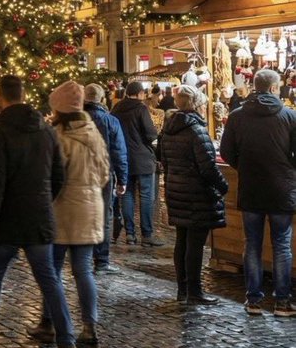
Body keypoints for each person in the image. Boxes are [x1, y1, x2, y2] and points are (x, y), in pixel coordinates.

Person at [0, 74, 79, 348]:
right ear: (23, 95)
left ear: (1, 97)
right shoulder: (47, 131)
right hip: (39, 217)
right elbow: (60, 176)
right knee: (49, 280)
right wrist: (42, 201)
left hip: (9, 220)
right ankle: (67, 344)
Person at [31, 81, 109, 348]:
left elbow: (52, 178)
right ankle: (90, 327)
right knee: (83, 270)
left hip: (62, 211)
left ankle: (49, 322)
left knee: (51, 271)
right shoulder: (93, 132)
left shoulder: (57, 136)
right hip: (90, 209)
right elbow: (104, 173)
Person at [220, 67, 296, 316]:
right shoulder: (289, 116)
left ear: (255, 86)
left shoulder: (237, 115)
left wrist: (244, 167)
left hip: (251, 188)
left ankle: (253, 300)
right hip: (281, 190)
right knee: (282, 245)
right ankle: (282, 302)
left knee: (252, 244)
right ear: (275, 88)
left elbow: (227, 152)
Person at [156, 84, 229, 306]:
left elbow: (164, 161)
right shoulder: (196, 130)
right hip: (197, 194)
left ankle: (183, 290)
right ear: (196, 104)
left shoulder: (168, 129)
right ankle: (195, 292)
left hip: (177, 191)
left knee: (183, 240)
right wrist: (223, 186)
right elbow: (207, 167)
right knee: (195, 244)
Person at [83, 83, 128, 274]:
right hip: (103, 174)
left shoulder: (75, 120)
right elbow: (119, 152)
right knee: (103, 216)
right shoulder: (110, 121)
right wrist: (122, 179)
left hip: (79, 174)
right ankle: (101, 260)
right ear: (102, 99)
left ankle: (82, 258)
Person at [112, 80, 164, 246]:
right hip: (142, 159)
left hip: (123, 158)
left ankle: (130, 234)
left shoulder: (116, 109)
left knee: (126, 195)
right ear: (140, 93)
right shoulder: (141, 108)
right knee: (146, 196)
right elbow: (150, 134)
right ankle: (147, 234)